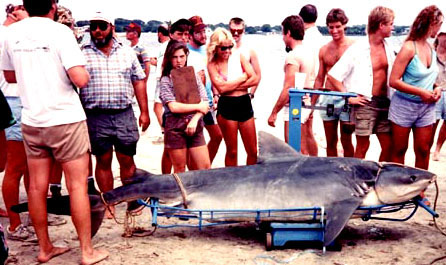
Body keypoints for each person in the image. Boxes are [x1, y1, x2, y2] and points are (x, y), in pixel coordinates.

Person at [0, 0, 108, 263]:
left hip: (33, 119)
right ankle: (86, 251)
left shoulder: (12, 33)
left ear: (26, 3)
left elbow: (10, 76)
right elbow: (80, 78)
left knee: (36, 187)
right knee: (77, 186)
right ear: (53, 5)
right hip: (65, 118)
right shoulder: (60, 32)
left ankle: (44, 248)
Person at [80, 12, 149, 217]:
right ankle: (109, 201)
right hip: (95, 115)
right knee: (103, 160)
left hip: (124, 114)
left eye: (102, 26)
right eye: (93, 27)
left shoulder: (127, 53)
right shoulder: (81, 53)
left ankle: (130, 201)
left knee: (127, 159)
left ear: (111, 27)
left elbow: (138, 80)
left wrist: (145, 112)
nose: (97, 31)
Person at [328, 6, 397, 162]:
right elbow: (333, 76)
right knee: (362, 146)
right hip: (365, 102)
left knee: (388, 146)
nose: (393, 27)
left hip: (386, 102)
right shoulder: (358, 48)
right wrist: (348, 97)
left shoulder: (390, 47)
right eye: (391, 24)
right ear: (381, 25)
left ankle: (377, 177)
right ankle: (356, 179)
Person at [389, 6, 443, 169]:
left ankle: (419, 192)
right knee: (399, 150)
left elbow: (428, 78)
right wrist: (420, 92)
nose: (440, 28)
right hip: (404, 106)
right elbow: (394, 80)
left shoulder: (430, 48)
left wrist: (437, 88)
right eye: (439, 24)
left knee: (423, 150)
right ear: (430, 23)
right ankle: (398, 190)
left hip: (426, 108)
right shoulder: (408, 47)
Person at [0, 1, 36, 242]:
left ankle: (32, 214)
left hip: (21, 101)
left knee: (31, 165)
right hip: (13, 101)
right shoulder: (9, 35)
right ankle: (14, 224)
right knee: (15, 166)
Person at [208, 28, 257, 166]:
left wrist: (230, 86)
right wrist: (242, 78)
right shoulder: (212, 64)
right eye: (224, 48)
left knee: (252, 151)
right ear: (215, 47)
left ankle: (251, 180)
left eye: (230, 47)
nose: (228, 51)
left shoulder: (239, 56)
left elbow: (254, 79)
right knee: (232, 151)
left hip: (244, 103)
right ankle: (232, 181)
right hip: (227, 106)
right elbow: (221, 89)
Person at [159, 40, 211, 172]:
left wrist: (194, 120)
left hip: (195, 124)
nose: (178, 61)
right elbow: (173, 107)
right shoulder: (165, 79)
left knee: (205, 168)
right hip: (175, 127)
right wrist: (197, 107)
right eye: (175, 57)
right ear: (169, 58)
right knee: (180, 170)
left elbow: (205, 103)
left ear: (186, 56)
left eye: (182, 56)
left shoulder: (194, 76)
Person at [268, 15, 315, 155]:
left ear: (288, 33)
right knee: (304, 148)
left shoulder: (293, 56)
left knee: (293, 151)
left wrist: (274, 112)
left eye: (283, 33)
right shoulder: (309, 53)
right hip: (307, 104)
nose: (282, 37)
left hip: (295, 106)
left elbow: (289, 87)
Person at [313, 8, 355, 157]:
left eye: (338, 26)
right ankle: (331, 172)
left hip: (347, 98)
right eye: (331, 27)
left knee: (347, 141)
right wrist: (311, 105)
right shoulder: (324, 49)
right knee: (330, 141)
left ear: (345, 25)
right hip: (328, 98)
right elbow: (320, 77)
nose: (334, 30)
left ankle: (350, 172)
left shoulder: (354, 47)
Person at [188, 15, 222, 164]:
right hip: (194, 105)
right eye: (198, 32)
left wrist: (215, 94)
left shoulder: (207, 51)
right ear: (190, 34)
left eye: (204, 31)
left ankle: (202, 167)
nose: (203, 35)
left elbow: (211, 74)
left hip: (208, 102)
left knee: (217, 136)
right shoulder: (186, 52)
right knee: (192, 141)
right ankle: (195, 170)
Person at [228, 17, 261, 97]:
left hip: (243, 95)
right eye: (233, 31)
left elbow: (258, 75)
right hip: (226, 95)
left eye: (239, 31)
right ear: (229, 30)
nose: (236, 33)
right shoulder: (222, 50)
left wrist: (251, 94)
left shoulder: (249, 51)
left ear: (243, 31)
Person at [432, 32, 446, 161]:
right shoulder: (430, 53)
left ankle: (437, 149)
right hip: (433, 92)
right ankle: (427, 148)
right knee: (432, 122)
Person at [125, 22, 150, 87]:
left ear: (135, 34)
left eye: (128, 31)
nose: (126, 33)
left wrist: (144, 82)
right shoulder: (127, 48)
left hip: (138, 81)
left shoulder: (141, 48)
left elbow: (147, 66)